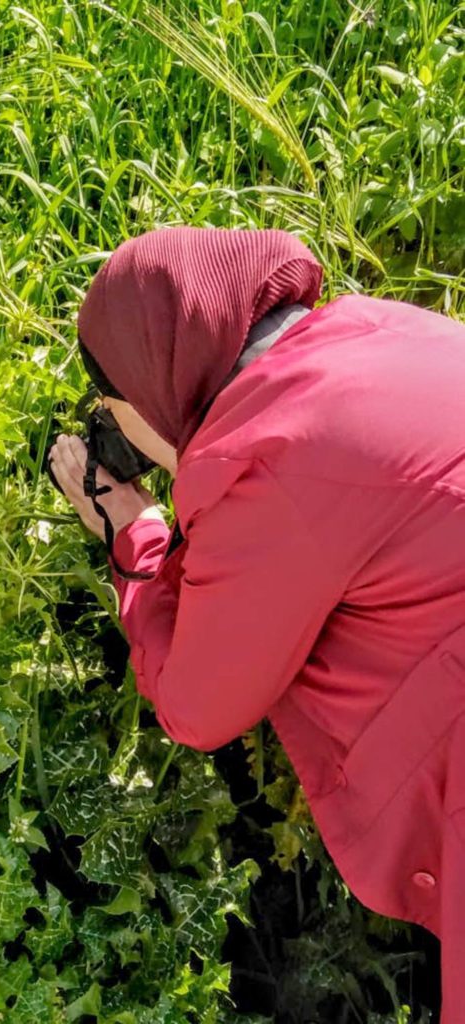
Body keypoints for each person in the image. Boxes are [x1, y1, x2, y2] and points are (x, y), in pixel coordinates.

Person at [47, 225, 465, 1023]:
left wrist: (135, 535)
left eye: (113, 413)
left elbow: (199, 704)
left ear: (149, 387)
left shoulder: (269, 465)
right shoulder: (382, 325)